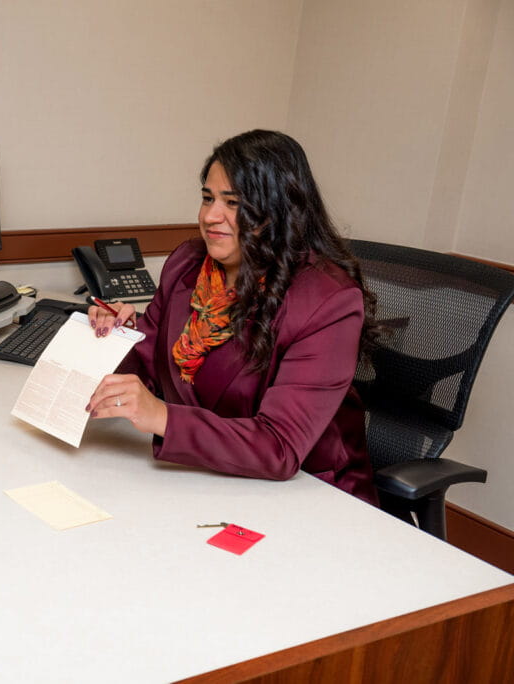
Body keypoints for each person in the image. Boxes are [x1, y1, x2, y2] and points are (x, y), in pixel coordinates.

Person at [86, 130, 379, 506]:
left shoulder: (328, 302)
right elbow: (149, 366)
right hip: (208, 479)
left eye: (233, 202)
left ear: (277, 211)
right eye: (207, 198)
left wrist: (163, 418)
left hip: (309, 497)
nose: (210, 216)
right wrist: (116, 336)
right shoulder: (187, 264)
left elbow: (280, 446)